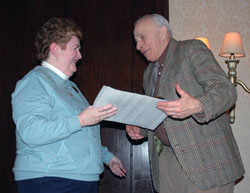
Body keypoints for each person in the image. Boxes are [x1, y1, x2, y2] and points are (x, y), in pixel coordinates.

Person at [126, 14, 244, 193]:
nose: (138, 46)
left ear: (163, 32)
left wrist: (198, 105)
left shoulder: (191, 49)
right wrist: (141, 129)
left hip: (205, 163)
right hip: (168, 164)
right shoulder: (148, 72)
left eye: (142, 37)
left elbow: (226, 90)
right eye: (136, 41)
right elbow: (159, 116)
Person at [11, 17, 126, 193]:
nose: (80, 56)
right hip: (50, 179)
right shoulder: (35, 81)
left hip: (79, 178)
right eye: (76, 48)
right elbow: (30, 131)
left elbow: (78, 135)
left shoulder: (70, 87)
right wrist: (80, 120)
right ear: (56, 49)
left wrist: (107, 157)